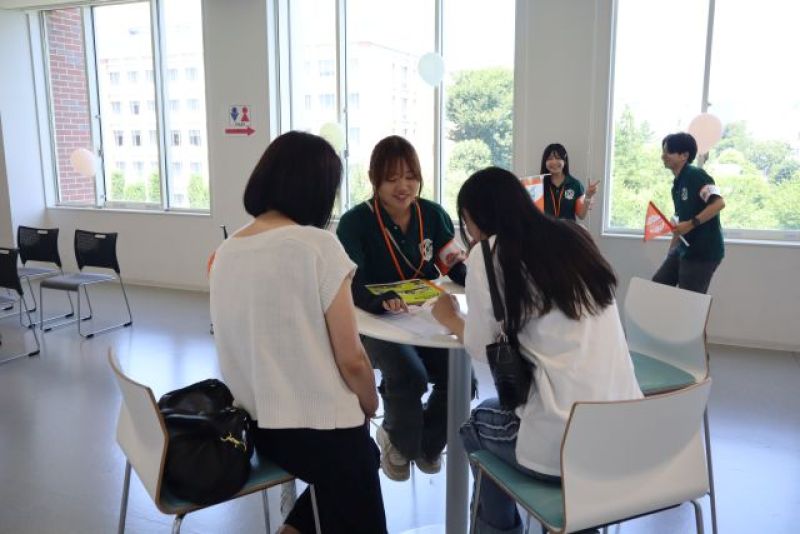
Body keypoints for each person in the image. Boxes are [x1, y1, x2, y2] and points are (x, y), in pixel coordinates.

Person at [431, 167, 642, 534]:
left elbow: (481, 347)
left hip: (562, 445)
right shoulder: (575, 237)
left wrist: (450, 317)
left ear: (475, 218)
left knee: (475, 425)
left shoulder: (489, 254)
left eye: (467, 222)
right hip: (627, 435)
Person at [210, 131, 387, 534]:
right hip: (318, 432)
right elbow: (352, 358)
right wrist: (371, 401)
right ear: (318, 191)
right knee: (360, 456)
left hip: (255, 429)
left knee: (357, 464)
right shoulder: (317, 246)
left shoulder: (226, 251)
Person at [336, 135, 469, 481]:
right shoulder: (355, 222)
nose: (403, 187)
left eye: (410, 177)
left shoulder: (432, 214)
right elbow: (351, 281)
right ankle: (399, 440)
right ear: (374, 179)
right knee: (410, 375)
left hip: (426, 314)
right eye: (392, 178)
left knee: (462, 379)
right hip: (375, 319)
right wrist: (378, 301)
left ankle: (425, 444)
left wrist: (477, 280)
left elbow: (452, 261)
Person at [652, 132, 725, 294]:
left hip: (703, 252)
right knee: (658, 286)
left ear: (684, 155)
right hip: (684, 249)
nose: (663, 156)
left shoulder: (696, 175)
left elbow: (719, 203)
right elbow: (679, 225)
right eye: (663, 152)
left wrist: (692, 223)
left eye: (668, 152)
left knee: (688, 300)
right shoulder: (677, 186)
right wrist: (670, 253)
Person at [537, 143, 598, 220]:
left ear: (565, 161)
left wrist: (588, 196)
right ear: (545, 162)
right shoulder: (538, 185)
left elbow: (581, 215)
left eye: (558, 158)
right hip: (545, 227)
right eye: (550, 158)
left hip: (568, 228)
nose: (554, 162)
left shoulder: (575, 184)